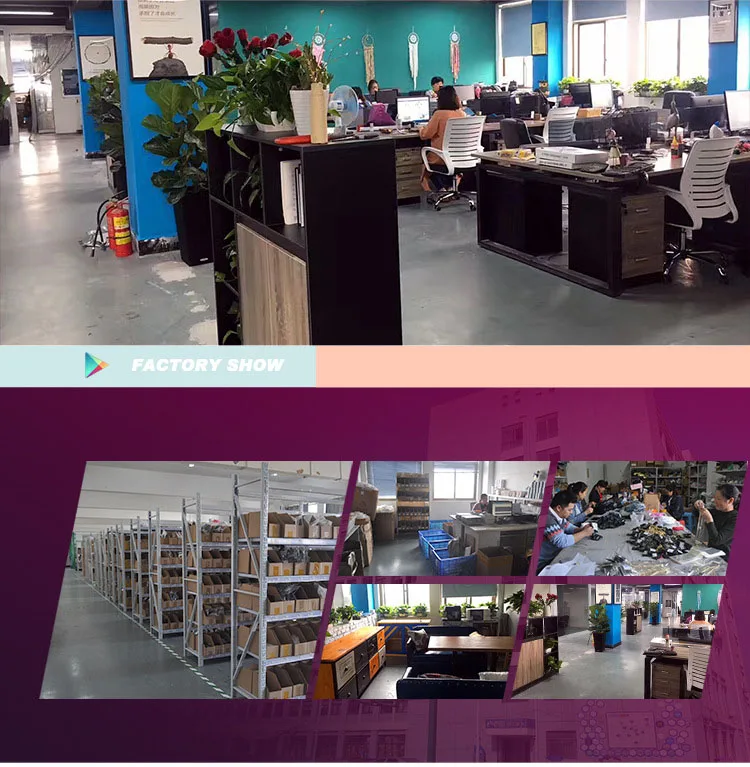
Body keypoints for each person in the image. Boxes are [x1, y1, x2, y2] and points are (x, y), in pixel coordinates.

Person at [537, 489, 595, 573]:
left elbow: (567, 526)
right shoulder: (547, 518)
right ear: (559, 508)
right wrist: (584, 533)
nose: (571, 513)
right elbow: (562, 541)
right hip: (543, 563)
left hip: (554, 555)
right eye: (569, 510)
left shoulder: (558, 515)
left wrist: (581, 529)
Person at [419, 85, 465, 191]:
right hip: (459, 158)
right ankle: (451, 188)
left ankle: (438, 190)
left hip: (441, 158)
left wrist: (421, 128)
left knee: (426, 158)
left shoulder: (439, 114)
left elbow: (425, 135)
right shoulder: (462, 113)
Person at [695, 484, 739, 558]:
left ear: (731, 500)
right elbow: (697, 513)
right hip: (710, 552)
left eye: (718, 499)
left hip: (723, 557)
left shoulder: (735, 518)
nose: (714, 501)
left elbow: (717, 541)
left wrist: (709, 520)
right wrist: (698, 506)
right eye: (714, 498)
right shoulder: (717, 511)